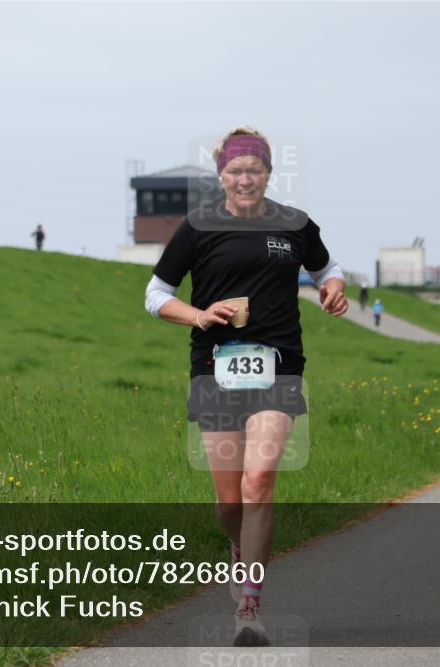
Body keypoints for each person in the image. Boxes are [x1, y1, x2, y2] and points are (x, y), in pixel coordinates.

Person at [143, 126, 347, 646]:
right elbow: (155, 293)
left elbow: (328, 267)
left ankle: (250, 605)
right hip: (215, 369)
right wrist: (198, 313)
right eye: (235, 170)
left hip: (279, 366)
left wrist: (333, 290)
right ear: (222, 175)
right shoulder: (199, 227)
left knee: (259, 483)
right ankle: (237, 551)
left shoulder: (295, 225)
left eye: (254, 168)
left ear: (269, 172)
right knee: (229, 501)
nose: (245, 178)